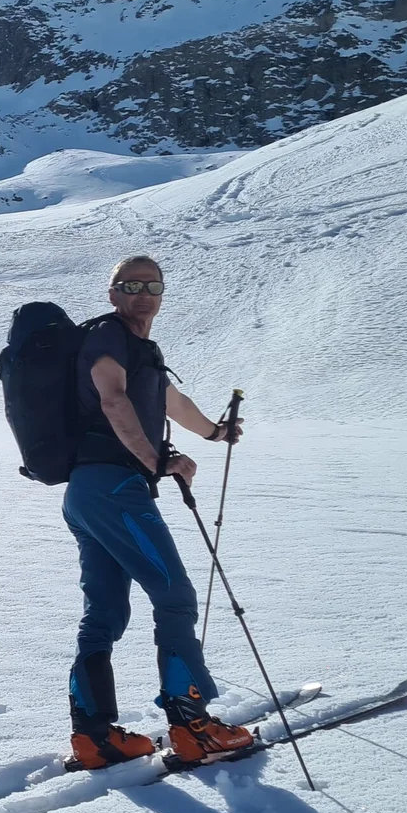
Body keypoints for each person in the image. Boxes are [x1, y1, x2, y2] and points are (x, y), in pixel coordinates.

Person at [63, 255, 256, 770]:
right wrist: (158, 459)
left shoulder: (141, 349)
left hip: (89, 493)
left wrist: (214, 433)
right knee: (175, 597)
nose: (143, 293)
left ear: (163, 293)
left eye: (152, 285)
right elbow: (113, 401)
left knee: (104, 613)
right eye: (130, 285)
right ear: (113, 294)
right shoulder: (108, 336)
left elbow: (171, 401)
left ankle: (94, 738)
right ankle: (194, 726)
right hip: (116, 489)